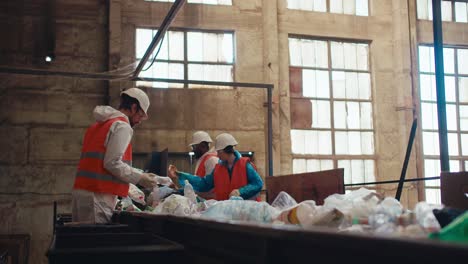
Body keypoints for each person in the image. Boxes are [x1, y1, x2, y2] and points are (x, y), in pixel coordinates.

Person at [72, 87, 158, 223]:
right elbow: (112, 163)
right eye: (140, 115)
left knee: (83, 241)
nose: (139, 120)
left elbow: (102, 162)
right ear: (134, 107)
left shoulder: (99, 125)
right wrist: (140, 178)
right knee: (95, 242)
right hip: (98, 195)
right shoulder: (122, 126)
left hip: (83, 192)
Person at [169, 133, 263, 201]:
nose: (217, 154)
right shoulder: (219, 168)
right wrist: (180, 174)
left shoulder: (245, 165)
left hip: (246, 211)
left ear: (225, 150)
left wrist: (241, 192)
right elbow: (204, 183)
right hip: (227, 211)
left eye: (219, 152)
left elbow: (258, 184)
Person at [189, 131, 219, 199]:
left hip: (210, 202)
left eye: (194, 147)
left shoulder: (211, 160)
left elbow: (210, 187)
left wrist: (195, 193)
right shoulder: (203, 159)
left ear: (202, 146)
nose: (193, 150)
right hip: (204, 200)